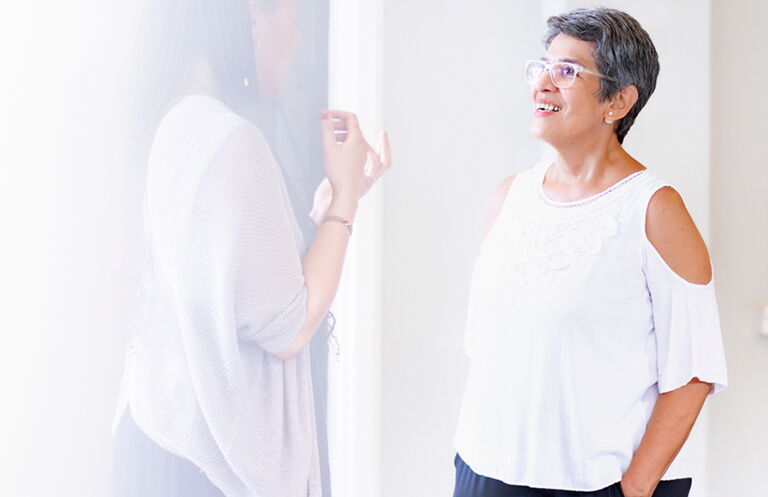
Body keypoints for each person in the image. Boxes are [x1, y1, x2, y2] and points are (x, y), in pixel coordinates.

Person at [112, 0, 390, 496]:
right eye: (291, 19)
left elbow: (238, 285)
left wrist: (330, 208)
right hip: (205, 468)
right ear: (250, 18)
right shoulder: (232, 141)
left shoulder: (174, 123)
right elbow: (289, 324)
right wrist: (345, 197)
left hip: (159, 437)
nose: (298, 39)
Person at [453, 8, 726, 497]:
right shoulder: (509, 196)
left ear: (617, 101)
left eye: (567, 71)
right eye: (542, 67)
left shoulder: (655, 209)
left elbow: (695, 371)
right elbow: (488, 344)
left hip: (598, 485)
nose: (542, 84)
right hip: (484, 469)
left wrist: (633, 490)